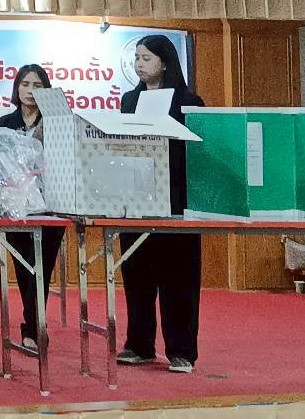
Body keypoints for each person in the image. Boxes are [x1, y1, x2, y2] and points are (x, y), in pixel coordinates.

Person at [116, 34, 204, 374]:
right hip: (135, 199)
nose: (139, 64)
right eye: (137, 58)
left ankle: (181, 351)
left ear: (164, 62)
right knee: (137, 275)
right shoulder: (129, 100)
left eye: (146, 58)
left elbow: (196, 152)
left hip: (176, 201)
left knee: (178, 278)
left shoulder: (188, 101)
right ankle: (139, 345)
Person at [0, 63, 64, 356]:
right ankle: (33, 323)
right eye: (25, 84)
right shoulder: (3, 124)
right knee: (22, 265)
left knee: (42, 265)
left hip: (51, 206)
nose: (31, 91)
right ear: (16, 88)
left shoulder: (58, 123)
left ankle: (33, 328)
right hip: (14, 206)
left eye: (38, 85)